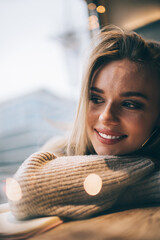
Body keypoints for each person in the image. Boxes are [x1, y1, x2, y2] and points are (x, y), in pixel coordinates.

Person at [8, 26, 160, 220]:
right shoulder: (60, 151)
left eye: (129, 104)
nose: (106, 117)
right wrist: (142, 179)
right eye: (96, 98)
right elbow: (25, 194)